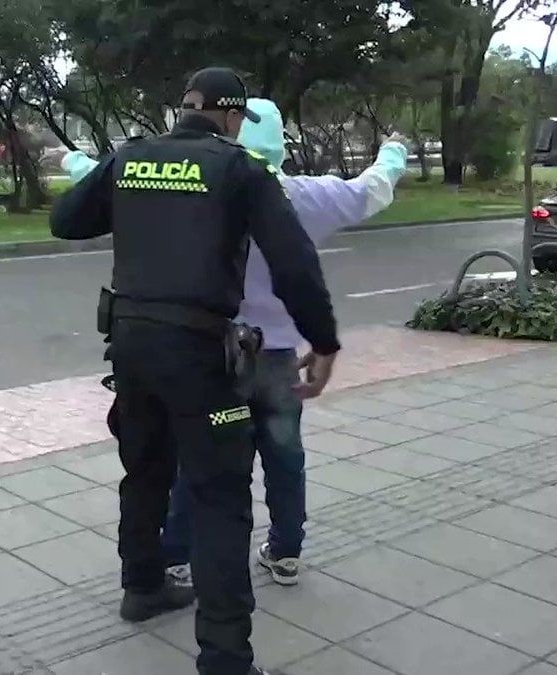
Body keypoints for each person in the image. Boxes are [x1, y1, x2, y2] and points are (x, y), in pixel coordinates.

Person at [50, 68, 341, 675]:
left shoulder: (132, 157)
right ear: (233, 116)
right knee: (219, 499)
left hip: (129, 345)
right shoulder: (239, 171)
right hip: (199, 353)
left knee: (146, 471)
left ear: (185, 107)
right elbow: (294, 264)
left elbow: (67, 220)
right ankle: (226, 660)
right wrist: (325, 342)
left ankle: (142, 586)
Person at [159, 99, 409, 588]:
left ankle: (177, 553)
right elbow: (372, 189)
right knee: (284, 454)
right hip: (275, 355)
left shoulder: (197, 196)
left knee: (200, 453)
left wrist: (74, 163)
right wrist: (393, 151)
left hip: (212, 350)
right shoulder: (305, 196)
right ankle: (286, 550)